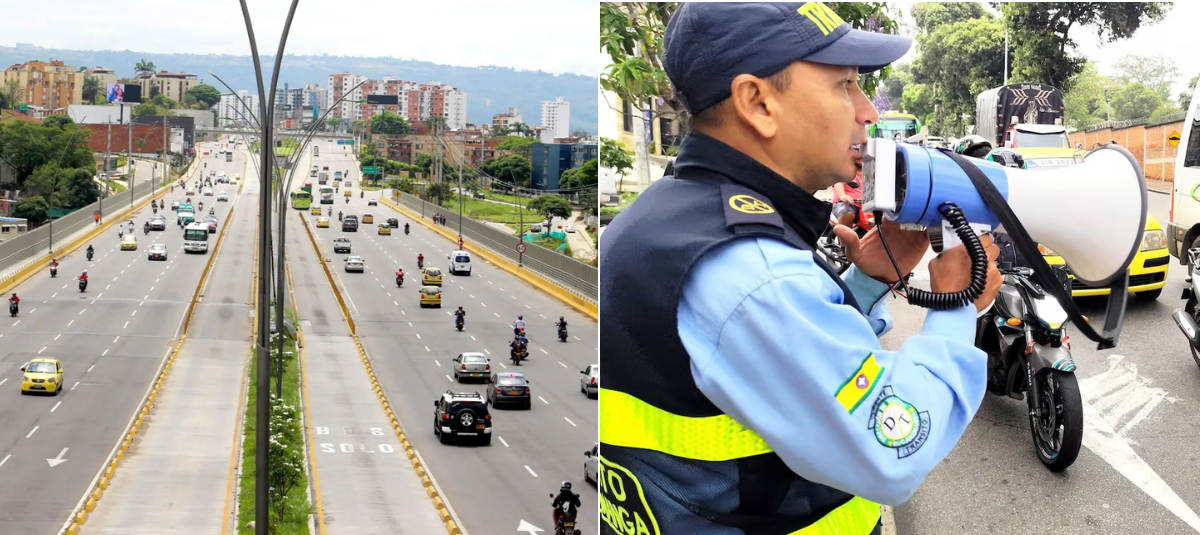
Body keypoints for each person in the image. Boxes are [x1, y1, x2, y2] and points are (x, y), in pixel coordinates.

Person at [597, 4, 1003, 533]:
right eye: (844, 85)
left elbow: (766, 363)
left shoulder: (665, 217)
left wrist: (868, 280)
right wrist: (957, 303)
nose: (868, 111)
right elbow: (895, 450)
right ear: (757, 102)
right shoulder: (750, 273)